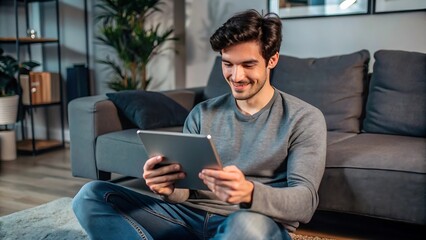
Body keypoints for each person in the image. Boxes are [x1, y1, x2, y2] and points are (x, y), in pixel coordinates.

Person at [73, 9, 326, 240]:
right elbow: (185, 193)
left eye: (248, 65)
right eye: (228, 64)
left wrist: (249, 192)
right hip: (188, 217)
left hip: (253, 222)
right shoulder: (202, 113)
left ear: (272, 60)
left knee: (245, 228)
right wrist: (167, 188)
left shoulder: (303, 118)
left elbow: (305, 203)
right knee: (90, 196)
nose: (236, 77)